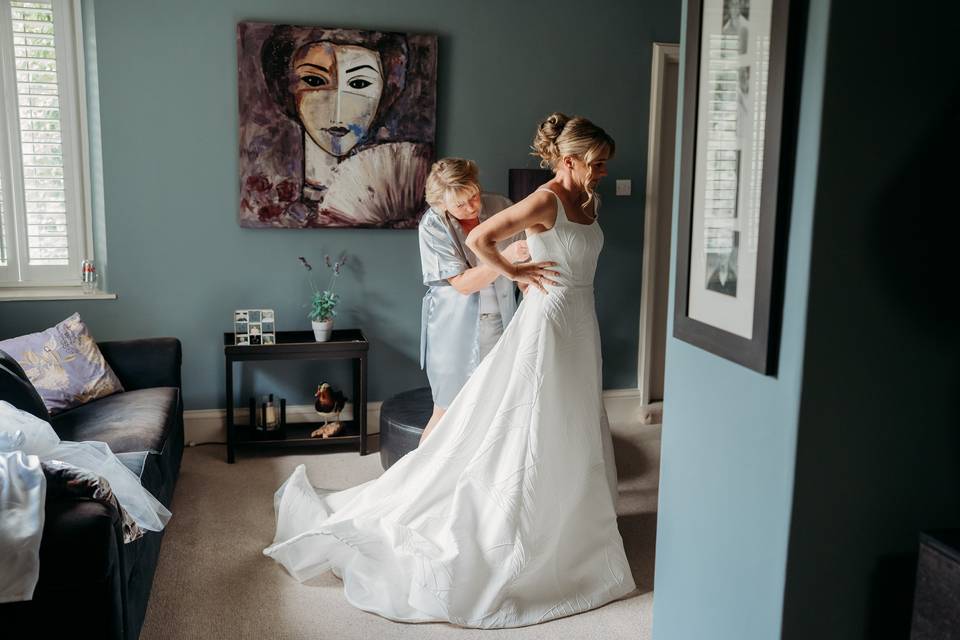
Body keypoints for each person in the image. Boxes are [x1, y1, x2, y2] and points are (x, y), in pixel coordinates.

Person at [263, 113, 635, 628]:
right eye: (596, 165)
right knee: (520, 421)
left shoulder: (589, 200)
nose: (602, 173)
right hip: (546, 323)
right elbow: (483, 240)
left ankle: (570, 519)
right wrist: (516, 270)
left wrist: (524, 273)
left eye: (604, 165)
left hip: (580, 323)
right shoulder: (545, 198)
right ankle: (518, 525)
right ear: (569, 160)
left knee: (571, 417)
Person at [243, 26, 434, 228]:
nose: (338, 109)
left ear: (385, 90)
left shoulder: (407, 184)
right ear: (285, 89)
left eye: (359, 84)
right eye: (314, 81)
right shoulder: (264, 197)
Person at [417, 158, 529, 444]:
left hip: (501, 322)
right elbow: (464, 284)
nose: (472, 207)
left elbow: (520, 277)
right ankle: (419, 483)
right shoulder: (432, 225)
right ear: (442, 205)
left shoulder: (502, 207)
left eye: (474, 195)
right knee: (446, 409)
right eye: (460, 204)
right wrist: (507, 259)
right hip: (452, 330)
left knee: (496, 406)